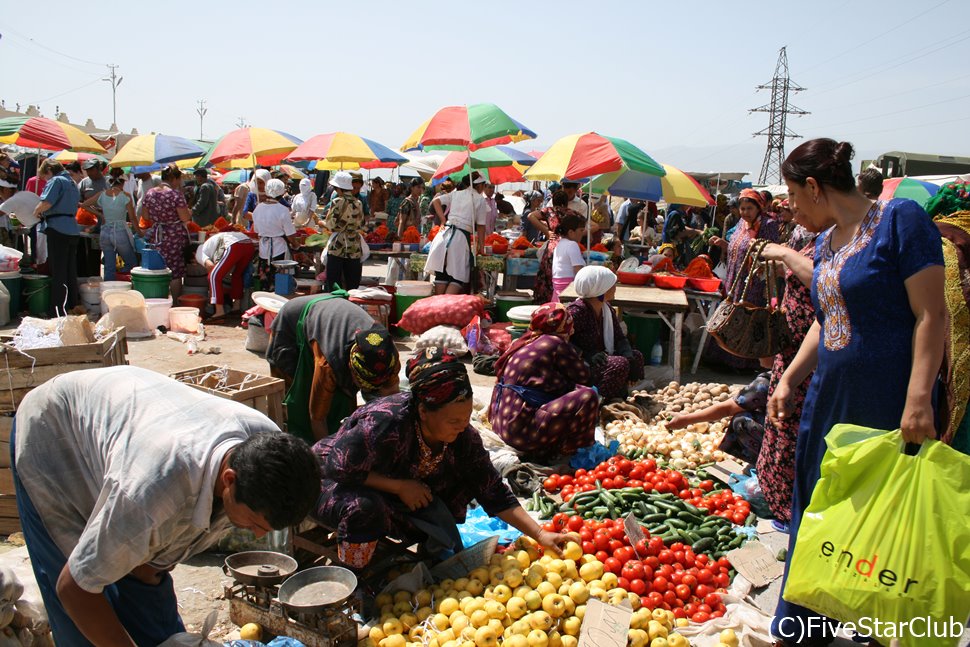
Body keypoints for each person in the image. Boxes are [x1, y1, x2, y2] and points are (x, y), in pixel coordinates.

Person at [765, 139, 945, 644]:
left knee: (877, 518)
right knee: (819, 507)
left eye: (795, 197)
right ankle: (803, 629)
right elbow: (828, 323)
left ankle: (876, 622)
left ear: (816, 188)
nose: (794, 210)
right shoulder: (825, 244)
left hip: (885, 399)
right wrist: (789, 379)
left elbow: (932, 314)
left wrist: (918, 398)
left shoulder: (899, 222)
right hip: (828, 400)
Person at [12, 366, 320, 646]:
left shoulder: (268, 447)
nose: (255, 536)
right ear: (229, 479)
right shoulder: (150, 494)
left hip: (135, 420)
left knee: (147, 590)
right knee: (82, 621)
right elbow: (74, 587)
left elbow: (155, 560)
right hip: (54, 436)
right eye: (255, 523)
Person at [311, 348, 575, 569]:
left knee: (457, 486)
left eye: (466, 417)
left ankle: (414, 556)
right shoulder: (385, 421)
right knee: (364, 509)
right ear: (424, 410)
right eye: (454, 420)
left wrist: (540, 534)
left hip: (389, 493)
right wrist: (400, 487)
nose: (462, 426)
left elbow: (491, 489)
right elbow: (336, 465)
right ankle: (354, 576)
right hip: (328, 483)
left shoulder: (462, 437)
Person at [266, 295, 401, 442]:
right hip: (293, 319)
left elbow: (393, 402)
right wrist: (330, 453)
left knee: (341, 402)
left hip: (334, 312)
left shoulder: (388, 357)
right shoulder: (328, 363)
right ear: (350, 369)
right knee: (300, 396)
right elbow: (317, 418)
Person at [489, 303, 599, 460]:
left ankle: (545, 447)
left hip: (501, 424)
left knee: (570, 389)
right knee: (588, 396)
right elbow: (584, 376)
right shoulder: (555, 343)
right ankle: (575, 451)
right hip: (520, 433)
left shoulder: (524, 341)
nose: (572, 331)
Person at [566, 266, 644, 400]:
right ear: (601, 290)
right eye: (612, 285)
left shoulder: (607, 309)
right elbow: (560, 341)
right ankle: (598, 401)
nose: (615, 288)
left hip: (601, 359)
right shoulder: (577, 311)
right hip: (581, 363)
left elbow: (620, 338)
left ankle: (619, 396)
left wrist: (630, 359)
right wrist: (587, 355)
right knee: (619, 364)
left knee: (636, 356)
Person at [668, 373, 771, 465]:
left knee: (741, 420)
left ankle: (765, 463)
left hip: (779, 442)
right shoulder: (783, 377)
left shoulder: (765, 382)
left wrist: (685, 420)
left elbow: (727, 409)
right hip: (785, 439)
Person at [709, 188, 781, 304]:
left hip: (753, 284)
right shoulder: (742, 223)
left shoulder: (768, 225)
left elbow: (772, 257)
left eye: (749, 208)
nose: (745, 212)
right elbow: (740, 248)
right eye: (742, 209)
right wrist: (724, 244)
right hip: (733, 279)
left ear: (758, 207)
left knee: (747, 316)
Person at [32, 159, 80, 316]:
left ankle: (57, 310)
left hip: (57, 228)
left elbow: (47, 202)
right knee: (70, 270)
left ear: (49, 171)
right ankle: (73, 305)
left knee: (58, 271)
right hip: (72, 229)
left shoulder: (56, 180)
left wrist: (35, 212)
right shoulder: (71, 182)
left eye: (44, 177)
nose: (45, 180)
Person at [426, 173, 487, 294]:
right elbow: (481, 226)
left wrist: (444, 220)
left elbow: (436, 201)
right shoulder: (480, 200)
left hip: (443, 236)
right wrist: (481, 247)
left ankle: (439, 308)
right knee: (458, 277)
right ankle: (446, 307)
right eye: (484, 185)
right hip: (459, 239)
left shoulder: (456, 193)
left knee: (441, 274)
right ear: (479, 185)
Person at [139, 164, 191, 300]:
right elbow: (185, 217)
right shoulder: (175, 195)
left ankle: (158, 298)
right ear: (174, 178)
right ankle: (175, 303)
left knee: (158, 268)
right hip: (173, 236)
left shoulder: (150, 193)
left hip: (156, 234)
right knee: (175, 272)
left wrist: (159, 217)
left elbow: (145, 216)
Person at [82, 173, 139, 281]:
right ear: (123, 183)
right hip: (119, 231)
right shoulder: (126, 196)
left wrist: (100, 215)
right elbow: (132, 218)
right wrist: (139, 232)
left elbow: (84, 205)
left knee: (109, 267)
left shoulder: (102, 194)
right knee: (132, 263)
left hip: (105, 232)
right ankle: (128, 287)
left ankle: (108, 292)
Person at [530, 190, 578, 304]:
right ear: (566, 203)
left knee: (547, 275)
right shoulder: (572, 213)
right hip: (567, 245)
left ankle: (544, 304)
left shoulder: (549, 211)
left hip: (553, 245)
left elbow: (530, 216)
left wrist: (547, 231)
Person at [196, 231, 256, 320]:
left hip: (233, 244)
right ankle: (236, 307)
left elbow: (210, 266)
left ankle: (219, 312)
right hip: (248, 243)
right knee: (237, 275)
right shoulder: (209, 244)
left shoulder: (199, 252)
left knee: (213, 276)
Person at [323, 171, 365, 292]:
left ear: (338, 188)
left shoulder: (337, 202)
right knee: (352, 285)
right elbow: (361, 224)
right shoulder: (359, 203)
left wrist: (322, 223)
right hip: (354, 247)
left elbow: (331, 225)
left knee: (334, 283)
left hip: (338, 247)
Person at [252, 178, 296, 289]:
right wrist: (296, 244)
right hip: (279, 249)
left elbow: (257, 231)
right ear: (281, 193)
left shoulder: (258, 208)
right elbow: (290, 234)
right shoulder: (283, 210)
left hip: (263, 248)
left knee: (265, 281)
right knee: (279, 282)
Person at [551, 214, 586, 302]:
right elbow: (579, 272)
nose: (583, 233)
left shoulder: (560, 244)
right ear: (571, 232)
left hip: (557, 291)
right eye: (581, 230)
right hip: (568, 291)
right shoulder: (572, 245)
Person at [662, 203, 702, 268]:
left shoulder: (679, 215)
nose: (689, 206)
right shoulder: (675, 214)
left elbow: (682, 228)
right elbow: (675, 233)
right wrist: (696, 232)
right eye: (688, 204)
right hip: (671, 251)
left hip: (677, 250)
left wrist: (694, 232)